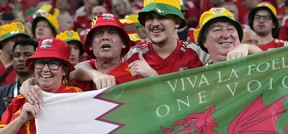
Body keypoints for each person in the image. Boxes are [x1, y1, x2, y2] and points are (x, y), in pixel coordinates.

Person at [73, 0, 255, 90]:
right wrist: (95, 74)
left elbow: (243, 59)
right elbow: (78, 69)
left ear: (177, 22)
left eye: (162, 17)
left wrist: (245, 47)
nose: (155, 23)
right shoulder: (133, 54)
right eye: (150, 18)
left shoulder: (198, 53)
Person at [72, 13, 141, 91]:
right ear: (90, 45)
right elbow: (73, 72)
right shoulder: (78, 80)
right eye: (99, 33)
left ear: (123, 43)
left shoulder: (136, 77)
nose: (105, 37)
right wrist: (94, 74)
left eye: (112, 33)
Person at [194, 7, 262, 64]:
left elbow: (270, 64)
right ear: (204, 41)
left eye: (230, 29)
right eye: (217, 30)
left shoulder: (253, 64)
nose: (226, 35)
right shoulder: (201, 78)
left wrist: (249, 48)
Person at [0, 21, 30, 87]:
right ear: (2, 41)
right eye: (14, 40)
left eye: (22, 41)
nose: (18, 44)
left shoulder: (25, 66)